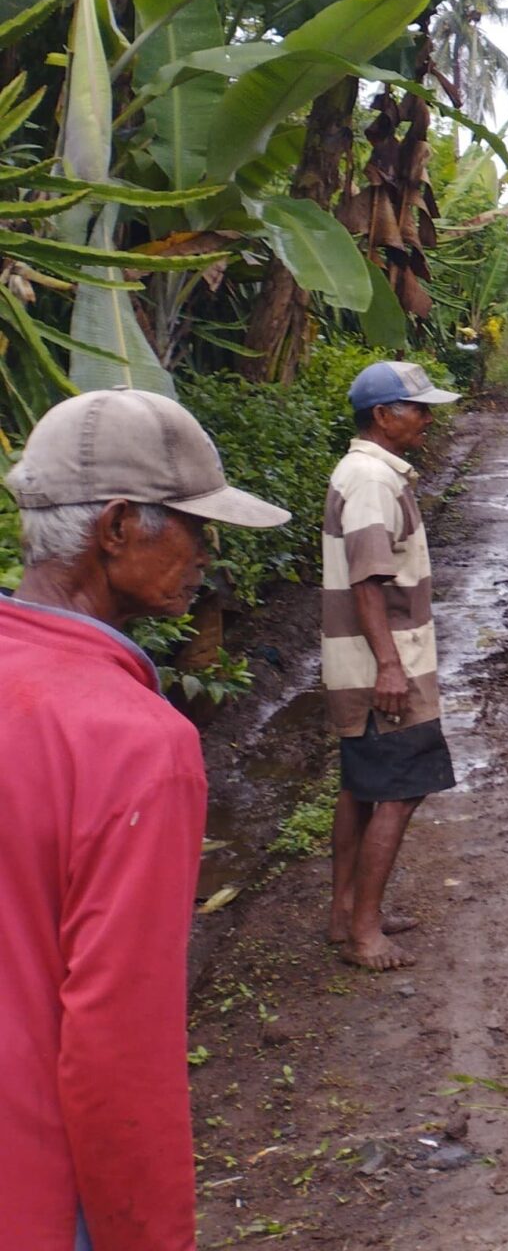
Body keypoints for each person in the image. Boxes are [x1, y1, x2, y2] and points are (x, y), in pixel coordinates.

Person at [0, 388, 288, 1249]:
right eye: (195, 526)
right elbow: (116, 1042)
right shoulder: (135, 743)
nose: (207, 552)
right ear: (118, 527)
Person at [324, 360, 466, 971]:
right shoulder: (372, 481)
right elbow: (368, 581)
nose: (427, 419)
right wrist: (389, 666)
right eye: (418, 409)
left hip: (362, 662)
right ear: (383, 416)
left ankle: (346, 912)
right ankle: (364, 932)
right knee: (402, 790)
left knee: (361, 788)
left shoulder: (366, 472)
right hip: (384, 665)